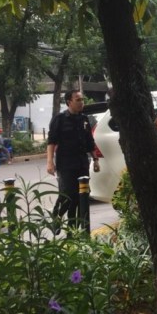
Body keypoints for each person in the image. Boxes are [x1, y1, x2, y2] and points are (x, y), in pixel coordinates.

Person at [47, 90, 100, 234]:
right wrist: (50, 162)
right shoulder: (59, 119)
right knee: (68, 193)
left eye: (82, 99)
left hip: (81, 162)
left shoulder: (84, 119)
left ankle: (72, 230)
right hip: (66, 163)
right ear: (69, 102)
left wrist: (95, 159)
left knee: (79, 197)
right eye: (78, 99)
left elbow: (90, 142)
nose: (81, 102)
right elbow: (51, 142)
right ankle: (56, 217)